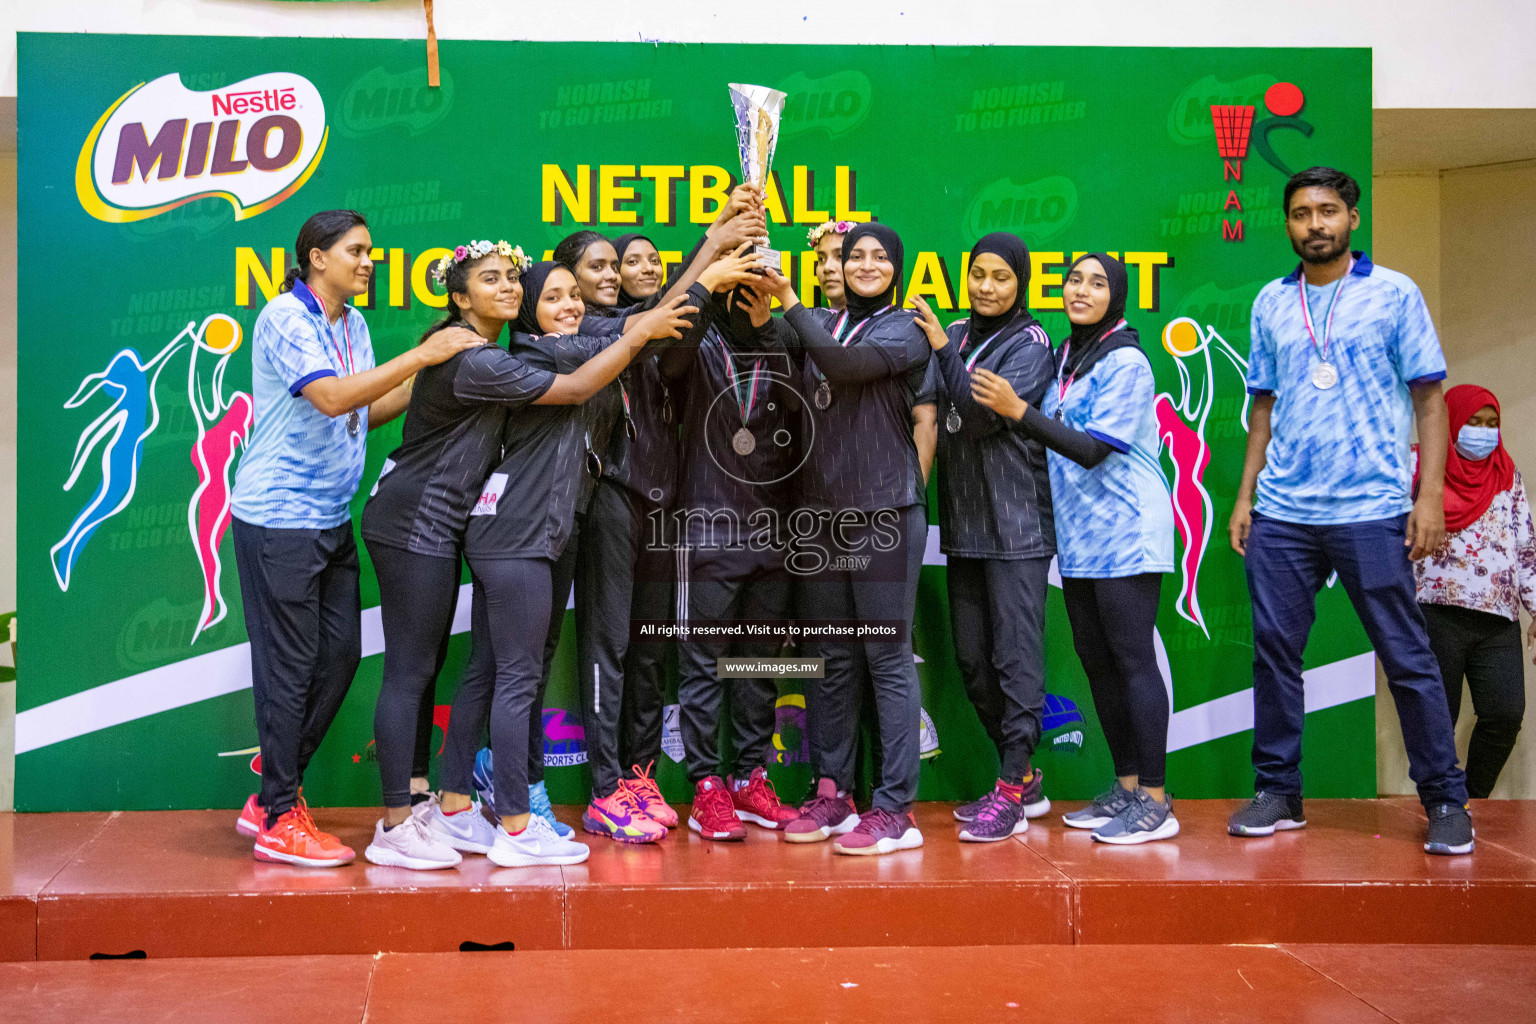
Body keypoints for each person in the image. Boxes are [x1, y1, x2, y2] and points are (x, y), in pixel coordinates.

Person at [1227, 166, 1473, 855]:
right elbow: (1263, 407)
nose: (1315, 224)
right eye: (1302, 213)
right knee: (1274, 654)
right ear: (1288, 224)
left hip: (1371, 506)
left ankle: (1446, 800)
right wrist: (1246, 495)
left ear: (1352, 219)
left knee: (1406, 655)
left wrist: (1428, 496)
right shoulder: (1272, 302)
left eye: (1328, 211)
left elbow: (1429, 399)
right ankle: (1279, 791)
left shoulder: (1395, 295)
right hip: (1283, 511)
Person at [230, 210, 482, 867]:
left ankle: (271, 792)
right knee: (287, 671)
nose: (369, 261)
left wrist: (443, 376)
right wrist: (425, 353)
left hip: (330, 516)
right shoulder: (285, 318)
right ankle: (281, 816)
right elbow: (335, 398)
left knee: (338, 660)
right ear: (316, 257)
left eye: (371, 250)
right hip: (278, 519)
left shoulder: (356, 324)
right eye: (357, 251)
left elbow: (367, 410)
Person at [434, 263, 700, 867]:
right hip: (517, 536)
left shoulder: (567, 349)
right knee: (518, 679)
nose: (571, 305)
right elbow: (637, 327)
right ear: (528, 312)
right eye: (553, 296)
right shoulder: (539, 354)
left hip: (535, 535)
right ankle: (516, 820)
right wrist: (710, 253)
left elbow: (636, 326)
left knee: (488, 671)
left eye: (574, 296)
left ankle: (456, 804)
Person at [553, 220, 764, 842]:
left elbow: (669, 321)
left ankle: (638, 774)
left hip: (661, 504)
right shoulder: (586, 330)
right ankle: (603, 788)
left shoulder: (650, 324)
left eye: (615, 267)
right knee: (609, 647)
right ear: (570, 281)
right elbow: (660, 315)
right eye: (599, 267)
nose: (612, 275)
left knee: (648, 652)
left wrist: (722, 238)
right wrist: (712, 259)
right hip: (612, 501)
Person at [973, 253, 1177, 845]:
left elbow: (1091, 449)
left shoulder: (1127, 360)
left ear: (1116, 295)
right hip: (1082, 537)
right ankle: (1128, 784)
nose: (1081, 291)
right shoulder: (1068, 355)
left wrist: (1018, 411)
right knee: (1098, 661)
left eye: (1096, 283)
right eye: (1073, 281)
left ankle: (1157, 801)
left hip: (1128, 529)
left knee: (1133, 659)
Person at [764, 223, 931, 855]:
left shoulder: (903, 329)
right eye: (852, 254)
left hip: (885, 511)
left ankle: (895, 809)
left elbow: (845, 366)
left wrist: (788, 300)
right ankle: (833, 793)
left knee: (886, 660)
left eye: (878, 256)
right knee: (830, 659)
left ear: (896, 269)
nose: (863, 264)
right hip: (822, 518)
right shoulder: (818, 326)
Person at [911, 231, 1056, 843]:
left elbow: (974, 417)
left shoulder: (1030, 343)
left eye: (1000, 277)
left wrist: (942, 349)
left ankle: (1010, 788)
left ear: (1020, 282)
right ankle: (1022, 780)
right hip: (966, 526)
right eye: (978, 275)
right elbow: (938, 408)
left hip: (1018, 526)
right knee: (973, 662)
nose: (986, 287)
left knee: (1015, 659)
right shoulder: (964, 336)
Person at [1414, 385, 1535, 798]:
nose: (1483, 433)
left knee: (1504, 714)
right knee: (1436, 722)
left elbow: (1526, 547)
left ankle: (1472, 799)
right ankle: (1441, 804)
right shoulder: (1419, 466)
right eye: (1473, 423)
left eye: (1491, 424)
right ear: (1450, 422)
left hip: (1498, 620)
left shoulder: (1506, 474)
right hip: (1435, 614)